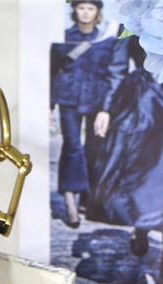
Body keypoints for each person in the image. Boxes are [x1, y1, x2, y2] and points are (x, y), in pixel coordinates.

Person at [86, 38, 163, 284]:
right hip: (146, 107)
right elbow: (116, 68)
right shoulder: (133, 20)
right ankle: (143, 229)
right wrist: (106, 109)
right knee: (148, 181)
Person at [50, 0, 128, 227]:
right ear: (74, 10)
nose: (85, 12)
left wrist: (106, 109)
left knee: (94, 149)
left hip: (97, 100)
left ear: (98, 12)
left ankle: (87, 196)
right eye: (81, 7)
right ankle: (70, 201)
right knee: (72, 146)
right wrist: (49, 104)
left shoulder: (106, 38)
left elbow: (115, 73)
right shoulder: (63, 36)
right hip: (69, 98)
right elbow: (51, 70)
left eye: (90, 8)